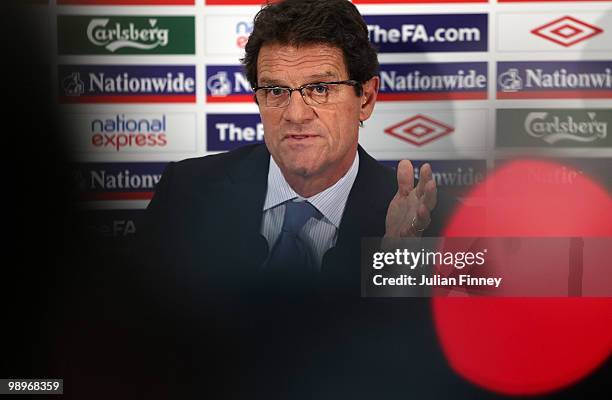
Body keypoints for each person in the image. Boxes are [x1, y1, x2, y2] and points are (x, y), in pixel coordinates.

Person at [142, 0, 437, 292]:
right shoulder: (184, 193)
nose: (296, 115)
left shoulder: (433, 222)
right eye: (275, 90)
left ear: (366, 99)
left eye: (320, 89)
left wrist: (397, 269)